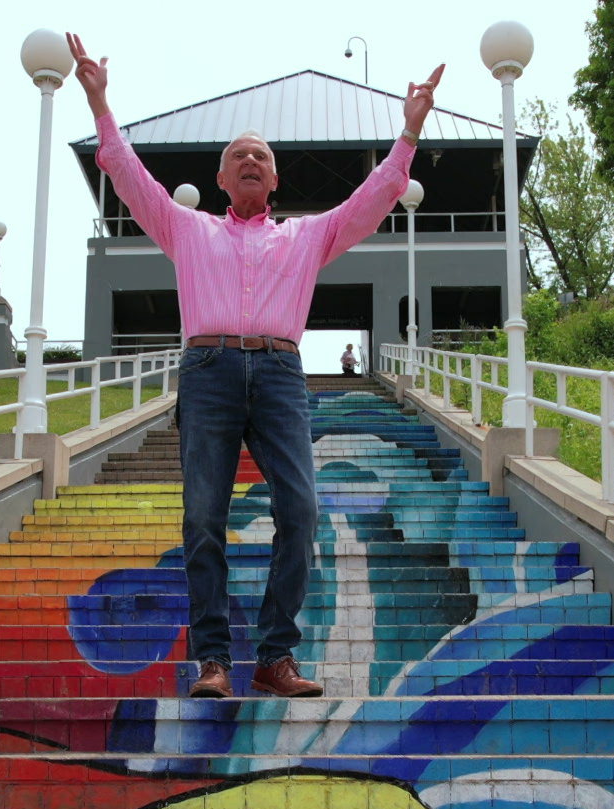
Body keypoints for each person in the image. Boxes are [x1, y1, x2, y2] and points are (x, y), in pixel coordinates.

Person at [70, 32, 444, 699]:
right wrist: (100, 103)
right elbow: (129, 177)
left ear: (273, 180)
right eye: (238, 155)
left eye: (261, 156)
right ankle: (213, 660)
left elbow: (371, 200)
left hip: (279, 375)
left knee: (300, 511)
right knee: (203, 518)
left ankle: (275, 657)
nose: (250, 159)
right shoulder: (187, 228)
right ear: (221, 179)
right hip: (208, 371)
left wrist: (409, 132)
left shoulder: (306, 236)